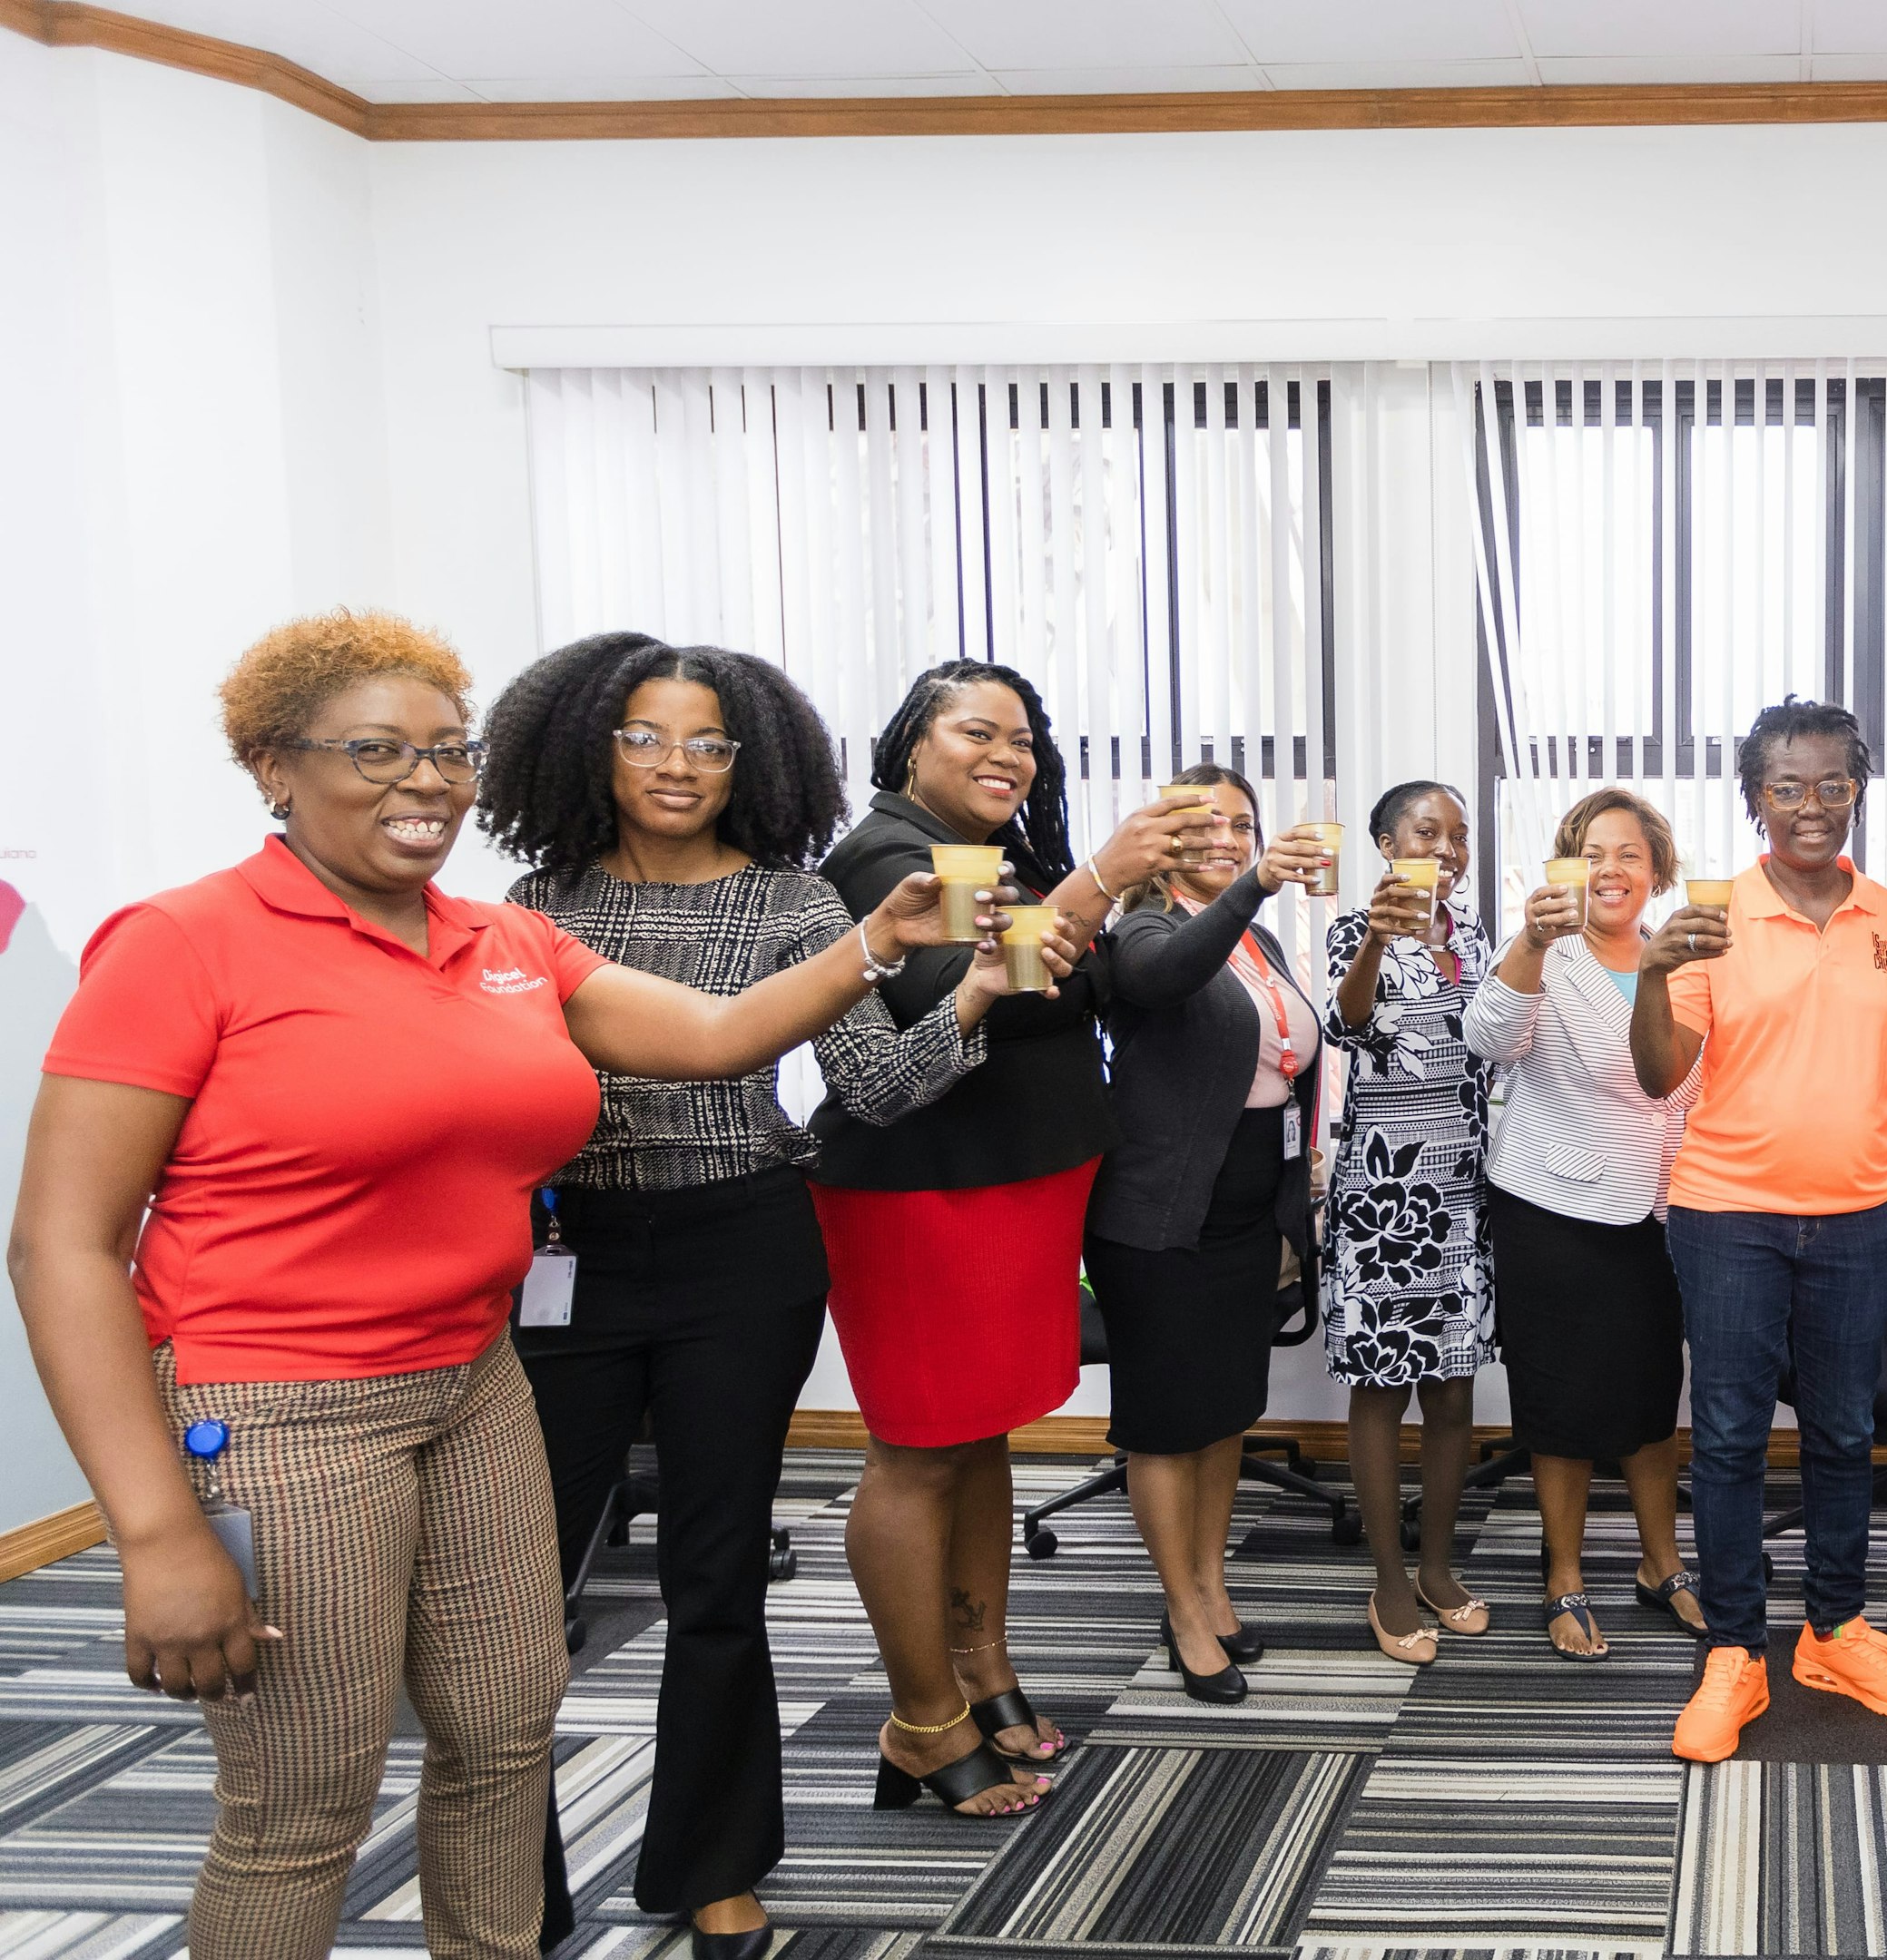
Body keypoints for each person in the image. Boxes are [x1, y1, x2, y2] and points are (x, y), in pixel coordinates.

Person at [6, 610, 971, 1960]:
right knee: (302, 1808)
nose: (427, 783)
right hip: (288, 1410)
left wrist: (878, 941)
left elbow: (713, 1036)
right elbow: (60, 1247)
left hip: (475, 1384)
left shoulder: (495, 940)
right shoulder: (181, 942)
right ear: (273, 768)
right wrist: (158, 1531)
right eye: (377, 752)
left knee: (505, 1747)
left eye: (447, 754)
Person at [476, 634, 1060, 1951]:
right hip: (570, 1252)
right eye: (644, 736)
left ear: (754, 759)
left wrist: (969, 994)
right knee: (520, 1596)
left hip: (743, 1250)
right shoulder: (530, 908)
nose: (678, 766)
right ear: (589, 748)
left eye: (709, 743)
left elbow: (878, 1091)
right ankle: (508, 1872)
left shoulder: (801, 904)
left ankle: (715, 1856)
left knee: (718, 1575)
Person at [805, 660, 1204, 1815]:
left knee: (979, 1439)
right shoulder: (886, 856)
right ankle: (920, 1720)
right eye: (976, 732)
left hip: (1018, 1186)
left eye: (1023, 739)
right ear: (910, 746)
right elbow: (953, 990)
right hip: (927, 1191)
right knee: (921, 1449)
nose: (1007, 755)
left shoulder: (1004, 854)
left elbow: (1055, 986)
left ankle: (983, 1675)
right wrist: (1096, 880)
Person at [1635, 697, 1887, 1763]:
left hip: (1860, 1222)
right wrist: (1648, 969)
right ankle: (1734, 1651)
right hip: (1728, 1217)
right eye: (1787, 786)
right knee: (1724, 1437)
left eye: (1833, 784)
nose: (1812, 807)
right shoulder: (1713, 921)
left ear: (1858, 789)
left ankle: (1835, 1631)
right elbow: (1659, 1073)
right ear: (1755, 797)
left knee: (1844, 1434)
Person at [1087, 765, 1332, 1704]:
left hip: (1248, 1208)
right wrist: (1256, 882)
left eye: (1243, 824)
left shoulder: (1258, 938)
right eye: (1205, 823)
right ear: (1160, 836)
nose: (1228, 836)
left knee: (1227, 1411)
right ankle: (1182, 1610)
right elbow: (1162, 976)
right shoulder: (1138, 929)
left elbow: (1287, 1058)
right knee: (1168, 1423)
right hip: (1160, 1212)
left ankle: (1210, 1586)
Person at [1469, 788, 1705, 1660]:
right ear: (1568, 867)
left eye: (1630, 855)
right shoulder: (1548, 953)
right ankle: (1562, 1575)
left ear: (1657, 872)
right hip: (1554, 1209)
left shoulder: (1678, 955)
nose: (1612, 870)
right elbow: (1489, 1038)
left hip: (1658, 1210)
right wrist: (1531, 939)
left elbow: (1686, 1087)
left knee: (1651, 1397)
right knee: (1561, 1403)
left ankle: (1660, 1564)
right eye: (1593, 853)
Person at [1324, 780, 1499, 1664]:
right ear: (1389, 843)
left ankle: (1436, 1565)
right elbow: (1347, 1026)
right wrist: (1382, 944)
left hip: (1465, 1186)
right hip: (1388, 1190)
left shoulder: (1474, 937)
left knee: (1456, 1388)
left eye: (1460, 835)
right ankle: (1388, 1580)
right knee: (1382, 1385)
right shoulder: (1356, 928)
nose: (1450, 848)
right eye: (1430, 831)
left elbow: (1500, 1044)